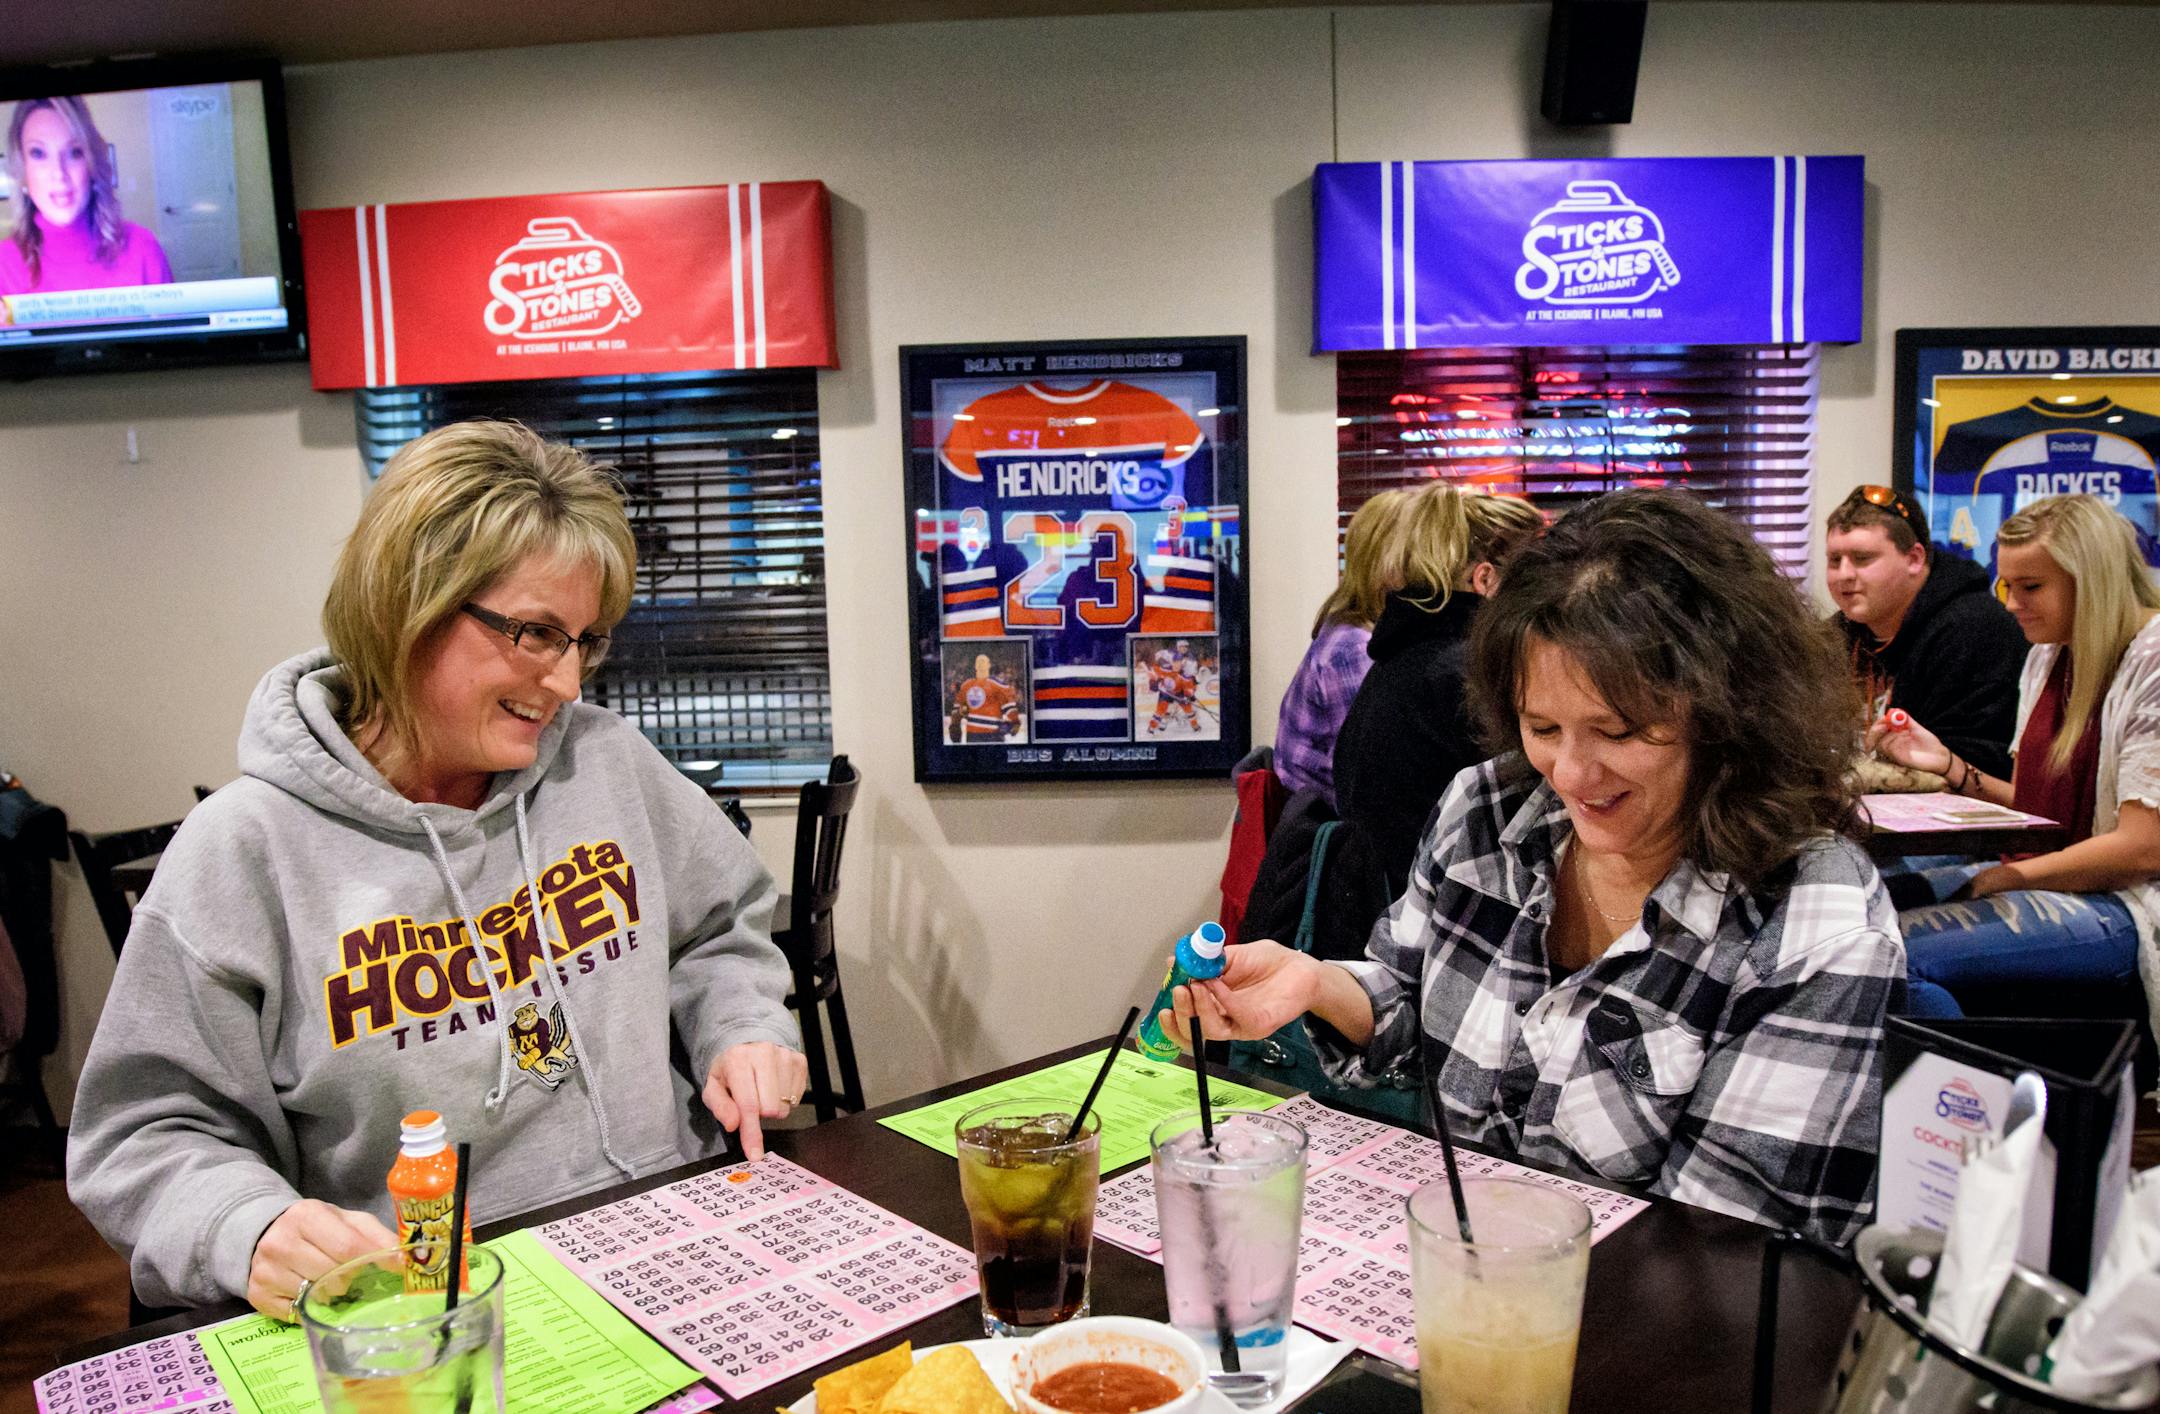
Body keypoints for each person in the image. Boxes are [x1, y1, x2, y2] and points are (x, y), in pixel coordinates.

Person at [68, 422, 808, 1317]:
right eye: (535, 633)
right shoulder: (241, 853)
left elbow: (719, 927)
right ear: (404, 607)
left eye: (583, 640)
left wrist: (740, 1023)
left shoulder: (605, 763)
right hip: (430, 1309)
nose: (569, 682)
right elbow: (144, 1135)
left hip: (669, 1236)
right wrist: (246, 1225)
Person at [1167, 490, 1903, 1243]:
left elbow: (1718, 1261)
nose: (1572, 775)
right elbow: (1413, 1000)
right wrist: (1315, 984)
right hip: (1455, 1282)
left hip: (1639, 1330)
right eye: (1542, 726)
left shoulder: (1814, 923)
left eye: (1617, 731)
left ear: (1729, 716)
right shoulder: (1489, 808)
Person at [1870, 494, 2160, 1027]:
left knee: (1884, 960)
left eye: (2031, 587)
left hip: (2133, 906)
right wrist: (1947, 766)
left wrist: (2017, 877)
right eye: (2007, 586)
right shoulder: (2048, 655)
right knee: (1863, 902)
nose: (2010, 603)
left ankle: (1967, 1106)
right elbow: (2037, 815)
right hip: (2063, 875)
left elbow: (2144, 847)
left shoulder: (2154, 660)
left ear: (2091, 581)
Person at [1331, 485, 1544, 896]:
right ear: (1485, 579)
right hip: (1438, 921)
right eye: (1530, 582)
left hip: (1392, 908)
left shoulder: (1401, 660)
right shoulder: (1467, 676)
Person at [1827, 484, 2025, 780]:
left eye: (1863, 558)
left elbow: (1973, 761)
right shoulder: (1835, 635)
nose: (1844, 574)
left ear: (1915, 558)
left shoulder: (1974, 630)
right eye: (1834, 560)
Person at [1272, 490, 1410, 807]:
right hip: (1331, 829)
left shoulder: (1347, 627)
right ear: (1389, 561)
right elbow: (1367, 772)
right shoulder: (1353, 648)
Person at [0, 96, 174, 296]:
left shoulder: (142, 247)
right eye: (38, 154)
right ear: (22, 170)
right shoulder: (3, 263)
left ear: (91, 165)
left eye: (75, 152)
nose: (59, 173)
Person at [950, 651, 1021, 742]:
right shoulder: (966, 685)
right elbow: (957, 709)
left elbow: (1011, 711)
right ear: (975, 666)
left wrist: (1013, 724)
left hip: (993, 735)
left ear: (989, 665)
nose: (980, 664)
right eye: (978, 662)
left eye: (983, 661)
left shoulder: (998, 686)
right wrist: (955, 725)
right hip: (972, 735)